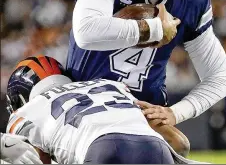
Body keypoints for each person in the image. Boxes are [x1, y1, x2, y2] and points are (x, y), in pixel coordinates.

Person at [66, 0, 226, 154]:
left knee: (178, 145)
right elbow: (86, 32)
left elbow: (219, 78)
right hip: (88, 101)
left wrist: (175, 112)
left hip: (142, 110)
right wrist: (153, 28)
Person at [5, 55, 193, 164]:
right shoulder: (111, 86)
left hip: (102, 150)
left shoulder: (28, 111)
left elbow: (35, 161)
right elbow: (180, 144)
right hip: (155, 148)